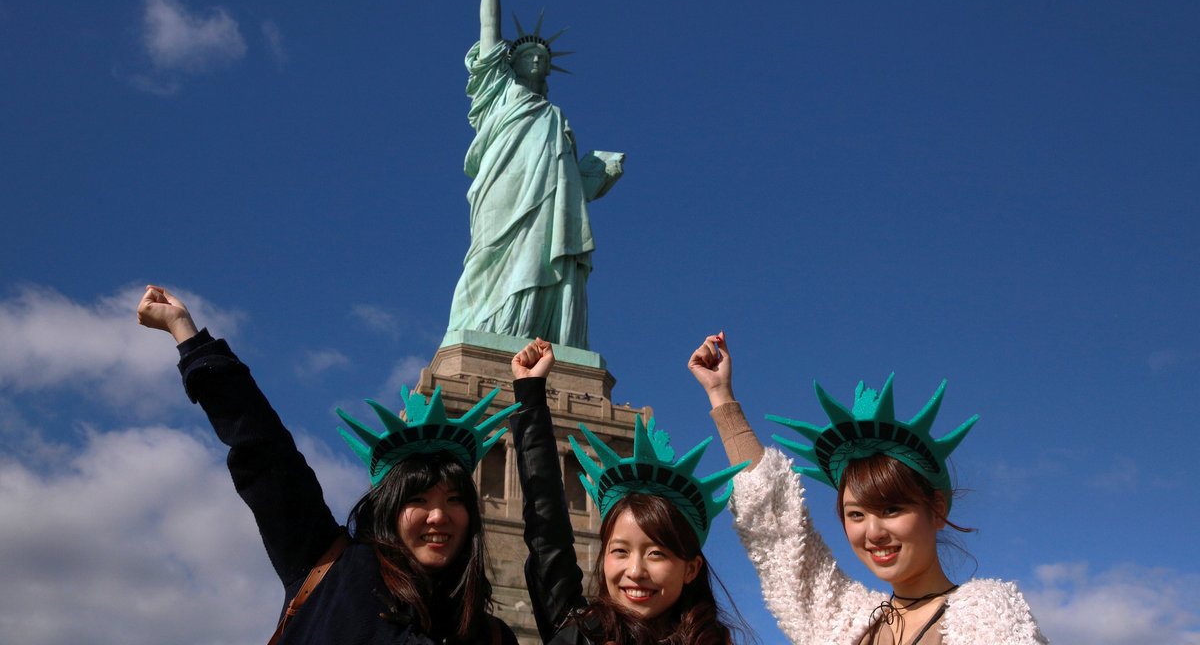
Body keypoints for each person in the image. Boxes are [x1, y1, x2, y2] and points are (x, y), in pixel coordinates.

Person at [137, 285, 519, 645]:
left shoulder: (492, 637)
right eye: (417, 499)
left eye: (454, 500)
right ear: (388, 509)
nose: (439, 515)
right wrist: (188, 336)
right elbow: (264, 452)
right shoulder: (331, 566)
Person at [688, 333, 1047, 645]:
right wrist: (721, 397)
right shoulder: (846, 623)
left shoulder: (988, 614)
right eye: (856, 514)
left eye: (891, 509)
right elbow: (778, 535)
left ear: (937, 509)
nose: (873, 532)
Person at [508, 338, 749, 645]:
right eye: (620, 551)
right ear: (603, 556)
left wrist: (722, 397)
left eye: (656, 553)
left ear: (691, 568)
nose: (635, 571)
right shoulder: (581, 634)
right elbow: (546, 527)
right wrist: (530, 397)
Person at [446, 0, 623, 350]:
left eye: (543, 59)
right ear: (511, 62)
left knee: (544, 255)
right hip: (502, 190)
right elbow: (490, 28)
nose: (538, 62)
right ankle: (486, 333)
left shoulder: (554, 115)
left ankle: (538, 337)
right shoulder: (498, 93)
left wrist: (595, 174)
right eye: (529, 56)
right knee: (488, 256)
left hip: (549, 203)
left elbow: (566, 181)